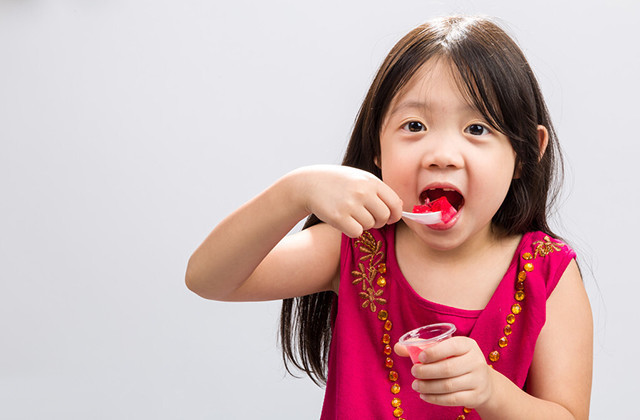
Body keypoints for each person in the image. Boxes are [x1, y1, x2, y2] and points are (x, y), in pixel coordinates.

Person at [186, 15, 592, 419]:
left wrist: (493, 394)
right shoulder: (356, 245)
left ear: (526, 154)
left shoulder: (547, 273)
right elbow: (208, 278)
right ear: (377, 148)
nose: (442, 155)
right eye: (414, 125)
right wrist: (296, 191)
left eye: (477, 128)